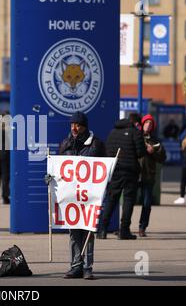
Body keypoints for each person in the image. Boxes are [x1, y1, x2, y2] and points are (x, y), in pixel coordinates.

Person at [56, 111, 105, 280]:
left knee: (88, 232)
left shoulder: (96, 144)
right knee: (74, 232)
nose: (74, 128)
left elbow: (104, 170)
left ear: (84, 126)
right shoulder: (65, 144)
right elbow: (58, 168)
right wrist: (51, 177)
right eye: (72, 124)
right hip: (71, 195)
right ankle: (75, 265)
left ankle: (87, 267)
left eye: (77, 125)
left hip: (89, 195)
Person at [98, 114, 146, 240]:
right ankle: (124, 230)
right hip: (130, 171)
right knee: (128, 200)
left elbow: (107, 149)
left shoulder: (113, 132)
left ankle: (102, 230)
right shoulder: (135, 132)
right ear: (136, 123)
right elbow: (141, 152)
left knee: (111, 199)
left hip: (115, 170)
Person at [138, 114, 166, 237]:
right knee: (128, 203)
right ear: (142, 124)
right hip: (135, 174)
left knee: (147, 203)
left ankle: (142, 227)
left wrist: (153, 151)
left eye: (150, 123)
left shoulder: (155, 141)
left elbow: (162, 158)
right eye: (146, 123)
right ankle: (125, 227)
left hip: (149, 175)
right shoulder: (136, 137)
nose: (148, 125)